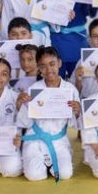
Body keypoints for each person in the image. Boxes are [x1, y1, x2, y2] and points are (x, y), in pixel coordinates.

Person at [17, 46, 81, 182]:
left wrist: (77, 111)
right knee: (35, 176)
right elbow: (24, 122)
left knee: (65, 174)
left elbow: (74, 125)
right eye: (43, 66)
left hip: (59, 140)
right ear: (39, 69)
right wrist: (23, 104)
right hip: (35, 140)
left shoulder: (70, 90)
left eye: (52, 64)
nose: (48, 70)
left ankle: (48, 163)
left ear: (59, 63)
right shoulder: (34, 89)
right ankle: (40, 163)